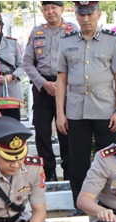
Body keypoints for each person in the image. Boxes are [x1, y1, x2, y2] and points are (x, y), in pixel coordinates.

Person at [56, 1, 116, 216]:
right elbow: (61, 79)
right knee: (77, 160)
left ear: (98, 14)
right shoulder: (66, 42)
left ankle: (112, 202)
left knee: (111, 159)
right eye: (81, 15)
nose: (86, 19)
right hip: (76, 110)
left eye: (90, 14)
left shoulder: (112, 40)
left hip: (105, 109)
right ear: (76, 15)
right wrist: (60, 113)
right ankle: (81, 205)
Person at [24, 1, 75, 182]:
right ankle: (49, 171)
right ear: (42, 11)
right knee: (42, 132)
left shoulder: (72, 30)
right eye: (46, 8)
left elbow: (78, 61)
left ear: (61, 9)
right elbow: (27, 63)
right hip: (42, 88)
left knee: (66, 130)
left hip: (67, 88)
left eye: (54, 7)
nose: (50, 12)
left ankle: (69, 170)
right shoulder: (37, 32)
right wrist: (43, 83)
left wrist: (63, 85)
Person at [0, 10, 24, 121]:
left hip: (11, 90)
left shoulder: (12, 43)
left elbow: (22, 65)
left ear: (1, 26)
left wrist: (11, 76)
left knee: (13, 126)